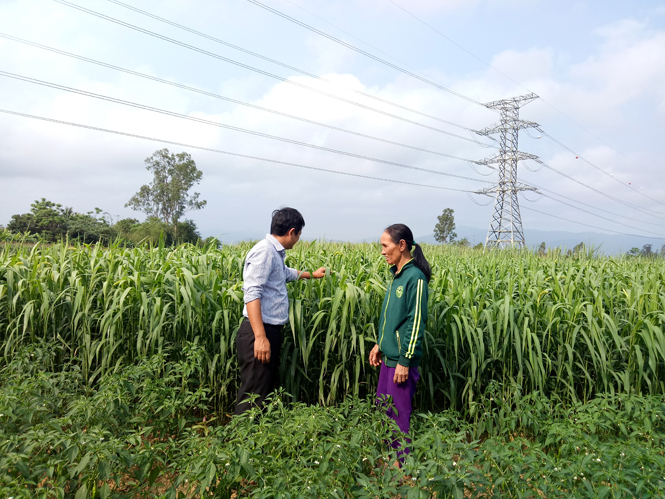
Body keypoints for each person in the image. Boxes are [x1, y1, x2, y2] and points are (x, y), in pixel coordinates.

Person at [235, 207, 327, 415]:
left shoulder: (274, 253)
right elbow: (252, 293)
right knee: (253, 394)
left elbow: (284, 274)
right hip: (258, 332)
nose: (297, 240)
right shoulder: (264, 251)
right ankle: (241, 442)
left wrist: (311, 274)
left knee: (262, 391)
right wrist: (260, 337)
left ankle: (256, 441)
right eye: (299, 235)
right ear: (291, 231)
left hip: (268, 330)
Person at [369, 223, 431, 465]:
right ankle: (389, 456)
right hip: (389, 357)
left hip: (401, 362)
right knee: (384, 407)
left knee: (398, 412)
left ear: (402, 245)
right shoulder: (397, 275)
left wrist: (405, 361)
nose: (382, 251)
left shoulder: (414, 277)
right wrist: (380, 345)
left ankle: (402, 463)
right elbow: (392, 319)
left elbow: (416, 322)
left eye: (385, 246)